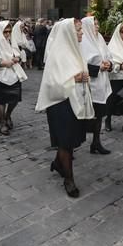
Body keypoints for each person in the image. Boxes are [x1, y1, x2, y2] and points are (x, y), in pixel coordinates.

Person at [36, 18, 93, 198]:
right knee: (65, 142)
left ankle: (58, 163)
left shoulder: (76, 50)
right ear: (69, 33)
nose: (82, 33)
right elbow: (51, 83)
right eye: (78, 30)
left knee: (71, 140)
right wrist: (74, 79)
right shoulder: (57, 53)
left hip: (76, 101)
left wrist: (84, 76)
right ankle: (69, 179)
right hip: (60, 103)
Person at [0, 21, 28, 135]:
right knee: (0, 100)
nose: (7, 34)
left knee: (15, 97)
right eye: (5, 32)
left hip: (14, 73)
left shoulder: (11, 42)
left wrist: (16, 58)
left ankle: (8, 116)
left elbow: (17, 52)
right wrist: (2, 63)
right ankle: (2, 122)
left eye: (9, 31)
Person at [80, 16, 113, 154]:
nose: (97, 26)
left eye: (98, 23)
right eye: (95, 24)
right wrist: (98, 68)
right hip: (89, 84)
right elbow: (80, 63)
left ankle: (96, 142)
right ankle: (70, 146)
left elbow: (108, 55)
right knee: (84, 116)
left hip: (102, 83)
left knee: (99, 114)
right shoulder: (82, 41)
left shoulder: (99, 38)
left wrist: (109, 64)